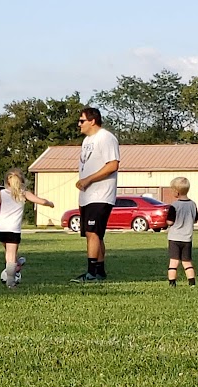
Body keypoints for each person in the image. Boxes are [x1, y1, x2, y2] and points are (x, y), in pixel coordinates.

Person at [0, 168, 54, 289]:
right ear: (22, 181)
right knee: (10, 256)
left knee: (8, 251)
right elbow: (41, 201)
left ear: (7, 182)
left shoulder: (1, 193)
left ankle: (16, 264)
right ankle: (11, 282)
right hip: (13, 229)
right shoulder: (24, 193)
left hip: (0, 228)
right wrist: (49, 203)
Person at [71, 107, 120, 283]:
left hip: (100, 195)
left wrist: (89, 179)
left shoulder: (106, 138)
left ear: (92, 121)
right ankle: (100, 271)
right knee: (94, 235)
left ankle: (91, 273)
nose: (79, 124)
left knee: (93, 232)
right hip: (87, 196)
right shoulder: (87, 141)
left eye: (81, 120)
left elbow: (112, 165)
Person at [166, 177, 198, 287]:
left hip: (174, 238)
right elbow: (195, 220)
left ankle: (172, 283)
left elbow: (170, 222)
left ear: (177, 191)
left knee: (174, 262)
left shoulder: (174, 206)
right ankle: (192, 283)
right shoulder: (193, 204)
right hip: (187, 238)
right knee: (187, 262)